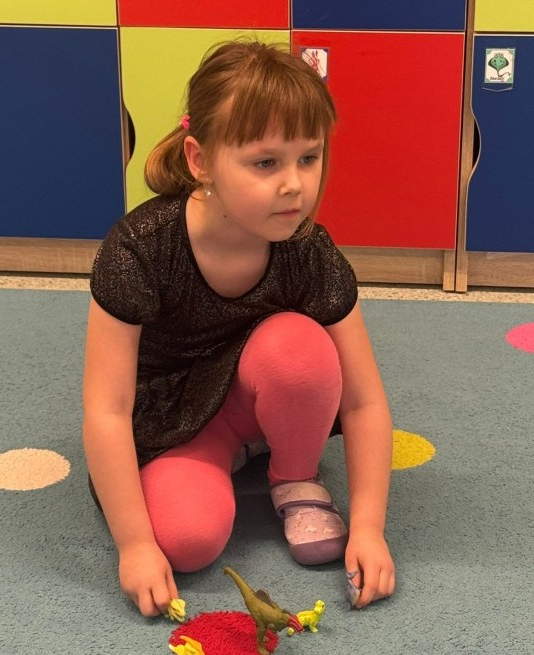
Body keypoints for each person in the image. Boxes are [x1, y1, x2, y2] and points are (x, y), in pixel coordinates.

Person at [82, 40, 395, 619]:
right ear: (199, 160)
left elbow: (363, 401)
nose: (294, 185)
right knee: (187, 541)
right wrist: (134, 545)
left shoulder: (307, 249)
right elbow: (106, 408)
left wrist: (370, 528)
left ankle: (293, 474)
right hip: (176, 416)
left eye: (309, 157)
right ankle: (232, 454)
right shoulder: (139, 249)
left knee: (299, 349)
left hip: (259, 389)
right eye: (265, 163)